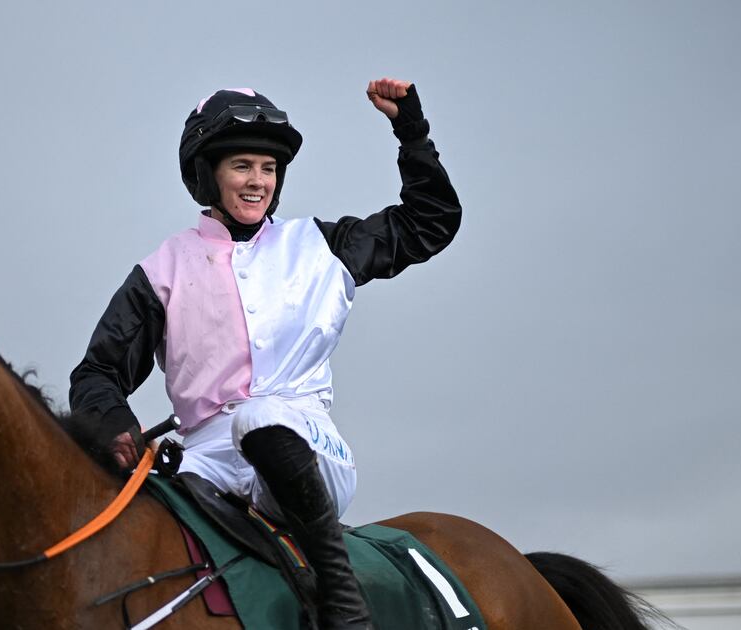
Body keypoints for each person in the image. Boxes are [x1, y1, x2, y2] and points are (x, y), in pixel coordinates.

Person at [69, 78, 461, 629]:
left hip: (310, 445)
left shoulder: (322, 246)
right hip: (204, 463)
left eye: (268, 168)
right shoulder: (161, 271)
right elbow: (97, 371)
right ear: (207, 174)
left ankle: (344, 603)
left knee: (260, 416)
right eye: (242, 166)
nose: (258, 181)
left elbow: (429, 221)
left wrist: (411, 131)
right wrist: (115, 426)